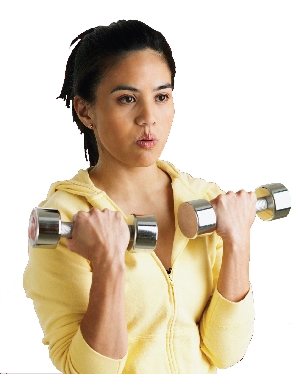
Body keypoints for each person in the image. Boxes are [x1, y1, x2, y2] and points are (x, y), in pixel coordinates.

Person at [23, 20, 256, 374]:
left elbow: (226, 352)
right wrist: (108, 265)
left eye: (161, 96)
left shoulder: (205, 201)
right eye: (127, 99)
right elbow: (90, 371)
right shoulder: (66, 221)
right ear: (86, 111)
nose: (149, 118)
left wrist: (238, 242)